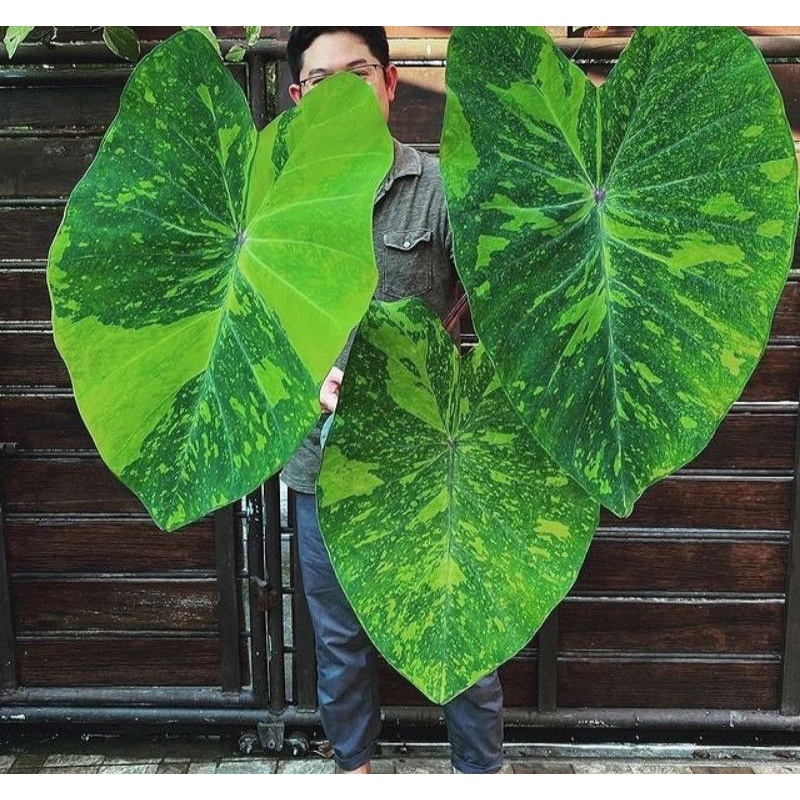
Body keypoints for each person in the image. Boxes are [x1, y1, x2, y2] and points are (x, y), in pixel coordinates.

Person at [280, 27, 504, 775]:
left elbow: (501, 304)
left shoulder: (439, 189)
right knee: (339, 644)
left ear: (390, 83)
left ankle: (482, 773)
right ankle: (355, 771)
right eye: (322, 80)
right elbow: (255, 325)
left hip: (427, 463)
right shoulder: (282, 201)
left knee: (464, 635)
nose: (342, 91)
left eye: (359, 71)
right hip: (320, 463)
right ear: (298, 97)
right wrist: (305, 381)